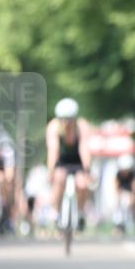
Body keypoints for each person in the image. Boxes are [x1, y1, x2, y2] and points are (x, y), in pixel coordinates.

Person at [46, 98, 92, 231]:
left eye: (70, 119)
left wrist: (87, 170)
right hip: (62, 161)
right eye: (63, 119)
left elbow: (84, 149)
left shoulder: (82, 126)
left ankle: (81, 213)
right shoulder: (53, 127)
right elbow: (53, 151)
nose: (66, 123)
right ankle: (56, 213)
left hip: (77, 161)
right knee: (59, 179)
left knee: (82, 184)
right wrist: (51, 171)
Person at [113, 154, 135, 232]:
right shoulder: (118, 175)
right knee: (119, 206)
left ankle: (128, 223)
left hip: (130, 195)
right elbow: (116, 187)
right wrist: (118, 197)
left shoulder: (134, 175)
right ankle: (118, 224)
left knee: (127, 204)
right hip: (122, 194)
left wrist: (134, 197)